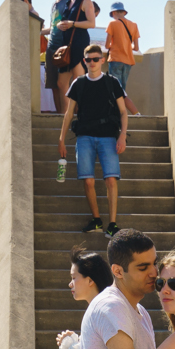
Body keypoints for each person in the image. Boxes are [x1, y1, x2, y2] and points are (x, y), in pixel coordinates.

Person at [59, 44, 128, 235]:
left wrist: (122, 135)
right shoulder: (78, 83)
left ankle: (112, 224)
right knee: (88, 180)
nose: (92, 63)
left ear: (102, 60)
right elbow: (69, 113)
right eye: (88, 59)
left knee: (111, 179)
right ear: (84, 61)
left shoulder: (112, 82)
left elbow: (123, 111)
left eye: (95, 59)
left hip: (108, 136)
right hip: (85, 137)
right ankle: (96, 220)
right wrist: (61, 139)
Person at [53, 250, 114, 349]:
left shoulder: (101, 311)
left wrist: (69, 344)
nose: (70, 284)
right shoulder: (102, 308)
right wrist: (76, 341)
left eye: (74, 278)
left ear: (90, 280)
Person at [105, 3, 140, 94]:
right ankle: (122, 107)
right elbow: (136, 48)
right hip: (128, 61)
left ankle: (116, 108)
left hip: (115, 58)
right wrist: (126, 46)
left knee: (114, 88)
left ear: (113, 13)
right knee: (122, 90)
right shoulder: (134, 25)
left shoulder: (112, 23)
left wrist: (113, 45)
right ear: (124, 12)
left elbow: (106, 45)